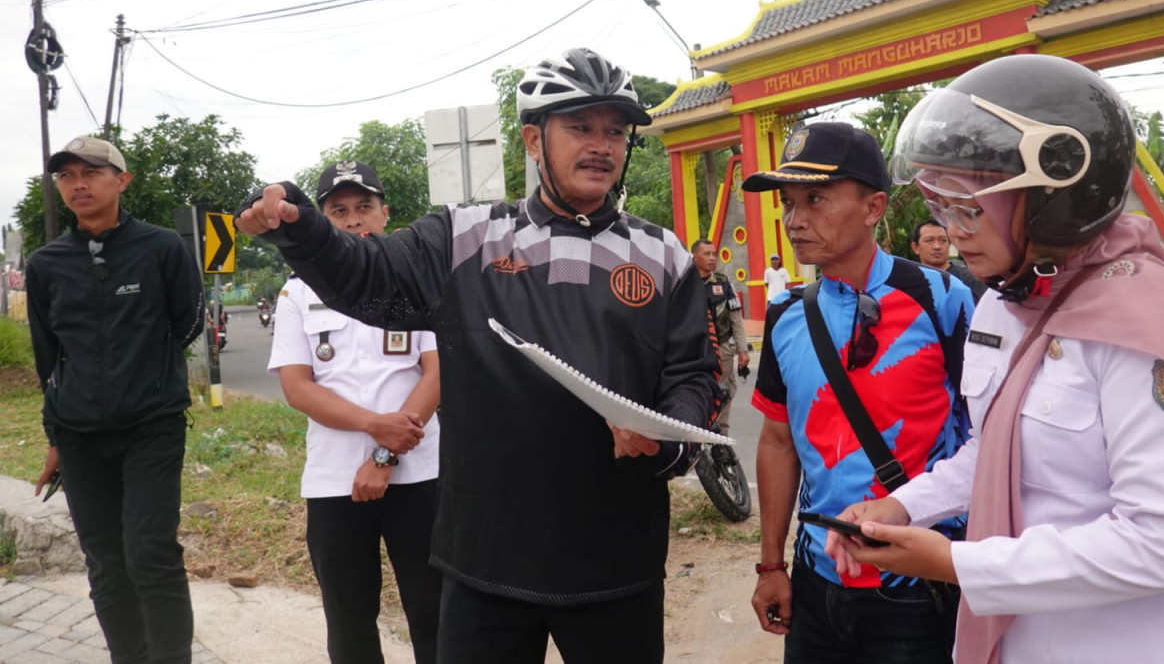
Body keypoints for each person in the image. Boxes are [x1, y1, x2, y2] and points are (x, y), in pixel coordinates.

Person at [235, 47, 720, 664]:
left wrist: (666, 442)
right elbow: (368, 276)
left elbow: (693, 376)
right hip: (483, 560)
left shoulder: (665, 255)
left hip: (615, 557)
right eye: (580, 127)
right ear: (533, 140)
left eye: (615, 132)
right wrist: (301, 227)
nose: (602, 145)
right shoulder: (461, 237)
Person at [828, 54, 1164, 664]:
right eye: (939, 208)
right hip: (1029, 638)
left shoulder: (1141, 325)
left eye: (967, 205)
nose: (953, 230)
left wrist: (958, 562)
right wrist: (905, 504)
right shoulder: (1004, 302)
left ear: (1055, 196)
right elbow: (994, 451)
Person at [741, 121, 974, 663]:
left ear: (873, 208)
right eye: (788, 203)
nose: (795, 220)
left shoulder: (943, 299)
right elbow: (777, 441)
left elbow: (990, 438)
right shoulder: (787, 315)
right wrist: (771, 565)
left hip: (921, 584)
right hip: (818, 582)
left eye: (816, 199)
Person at [26, 135, 205, 663]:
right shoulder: (46, 264)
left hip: (152, 424)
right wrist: (55, 436)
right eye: (66, 176)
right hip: (80, 436)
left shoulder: (161, 247)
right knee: (105, 562)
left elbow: (188, 322)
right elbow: (48, 358)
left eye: (91, 172)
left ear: (121, 181)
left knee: (150, 553)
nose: (78, 184)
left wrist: (148, 375)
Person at [267, 160, 443, 664]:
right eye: (337, 210)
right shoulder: (298, 293)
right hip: (333, 481)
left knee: (434, 612)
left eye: (364, 207)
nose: (352, 219)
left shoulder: (419, 283)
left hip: (421, 475)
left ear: (384, 213)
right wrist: (373, 427)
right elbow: (298, 388)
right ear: (321, 221)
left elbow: (436, 375)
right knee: (348, 620)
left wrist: (384, 454)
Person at [692, 238, 750, 438]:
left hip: (723, 348)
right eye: (706, 254)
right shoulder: (683, 283)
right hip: (694, 350)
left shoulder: (723, 282)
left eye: (714, 254)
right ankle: (699, 433)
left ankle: (721, 434)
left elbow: (735, 318)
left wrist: (742, 350)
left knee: (725, 391)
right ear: (694, 257)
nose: (712, 258)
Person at [910, 219, 987, 304]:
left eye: (943, 240)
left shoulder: (970, 279)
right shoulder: (909, 282)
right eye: (929, 240)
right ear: (915, 247)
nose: (937, 246)